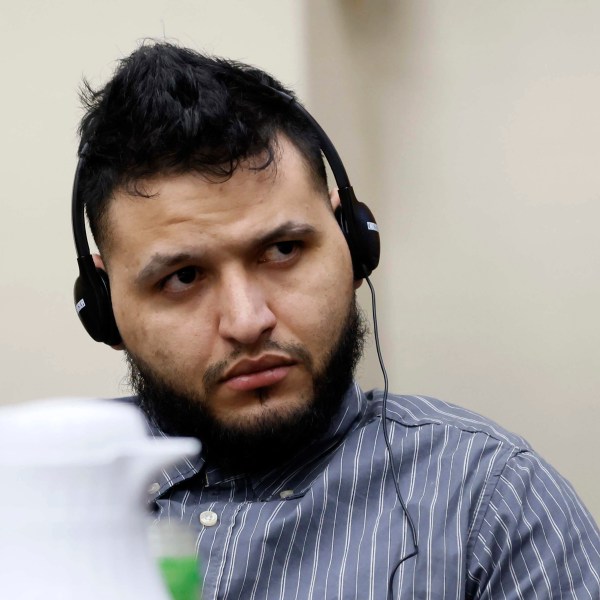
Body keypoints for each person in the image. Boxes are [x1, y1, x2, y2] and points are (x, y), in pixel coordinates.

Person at [72, 42, 600, 599]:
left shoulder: (491, 503)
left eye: (282, 250)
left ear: (352, 241)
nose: (248, 322)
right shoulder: (30, 493)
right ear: (105, 306)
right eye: (181, 277)